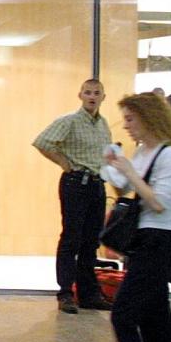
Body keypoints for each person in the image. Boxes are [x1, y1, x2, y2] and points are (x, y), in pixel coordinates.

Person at [92, 93, 171, 342]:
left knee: (124, 313)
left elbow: (159, 202)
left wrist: (130, 173)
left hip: (159, 241)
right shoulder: (144, 152)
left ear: (149, 117)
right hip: (143, 239)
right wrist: (115, 168)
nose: (127, 126)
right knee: (156, 319)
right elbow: (131, 193)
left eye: (131, 119)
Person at [33, 78, 115, 314]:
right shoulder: (69, 121)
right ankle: (66, 292)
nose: (92, 96)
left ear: (103, 97)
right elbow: (42, 141)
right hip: (75, 183)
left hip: (96, 184)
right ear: (80, 95)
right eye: (87, 92)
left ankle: (88, 293)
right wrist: (64, 163)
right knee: (71, 237)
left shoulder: (103, 124)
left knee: (91, 240)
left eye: (96, 93)